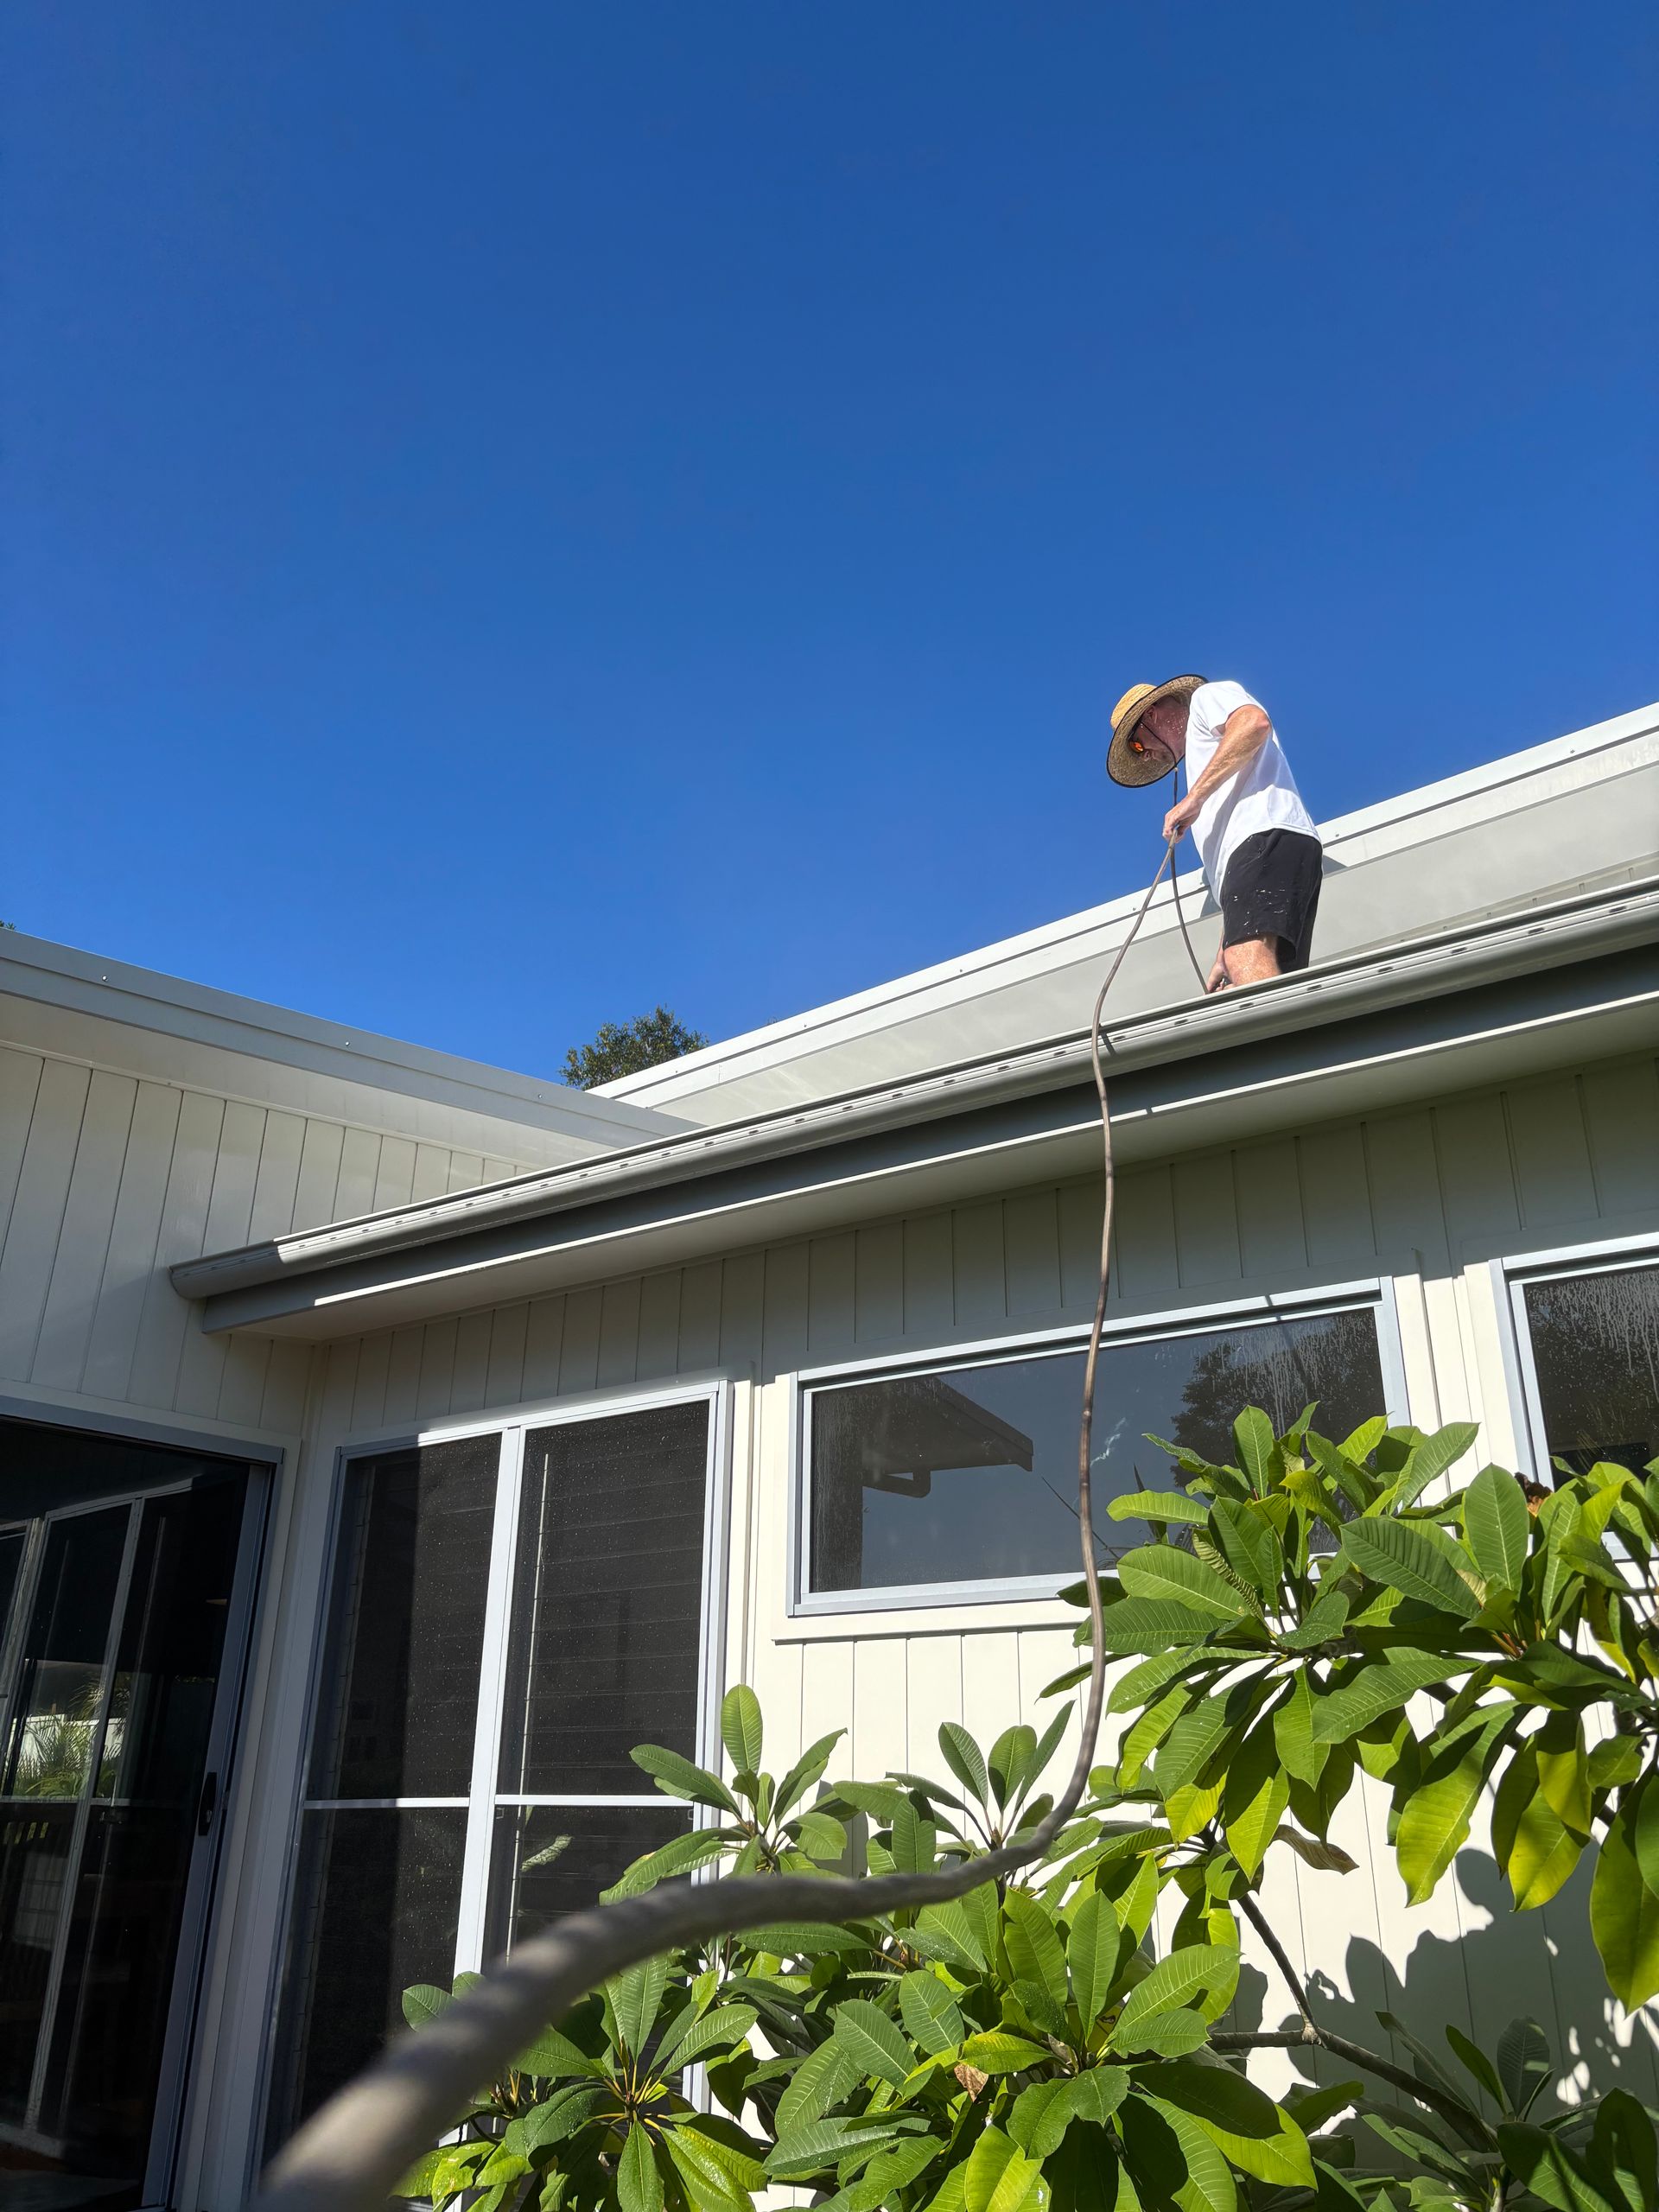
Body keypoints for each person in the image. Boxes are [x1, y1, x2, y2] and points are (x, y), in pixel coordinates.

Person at [1106, 674, 1323, 991]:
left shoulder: (1207, 699)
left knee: (1245, 957)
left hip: (1265, 835)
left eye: (1137, 745)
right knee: (1265, 971)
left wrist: (1194, 798)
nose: (1146, 755)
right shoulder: (1203, 756)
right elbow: (1241, 876)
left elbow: (1253, 723)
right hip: (1266, 848)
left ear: (1151, 715)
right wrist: (1226, 946)